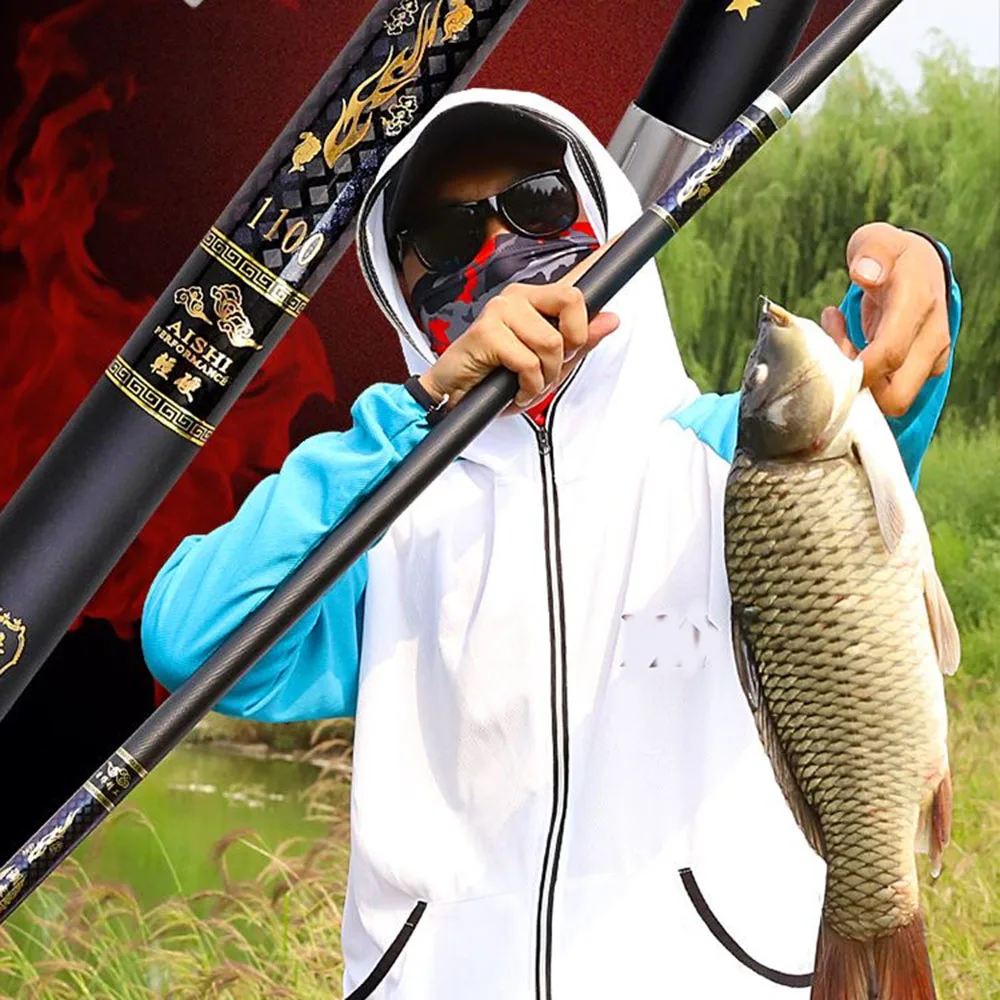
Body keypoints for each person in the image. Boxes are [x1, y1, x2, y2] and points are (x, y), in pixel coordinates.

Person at [141, 90, 960, 999]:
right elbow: (190, 639)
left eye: (537, 202)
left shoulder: (743, 459)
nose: (499, 250)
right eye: (447, 238)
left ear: (605, 218)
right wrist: (417, 413)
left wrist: (912, 282)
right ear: (400, 289)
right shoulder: (386, 514)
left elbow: (870, 397)